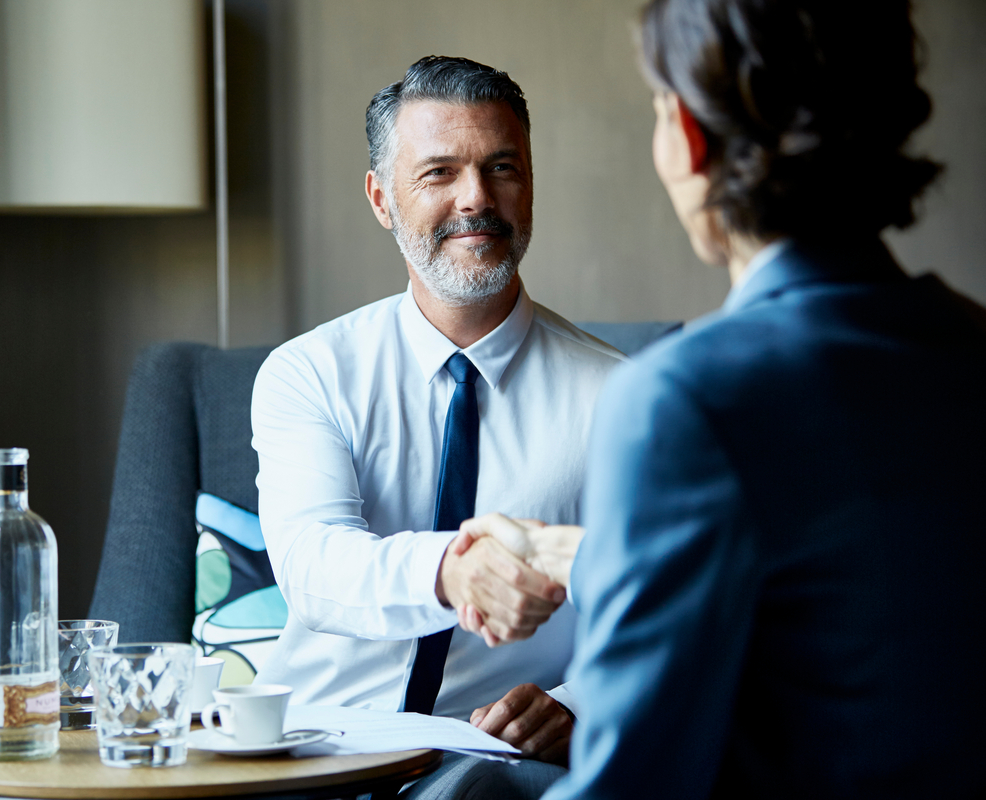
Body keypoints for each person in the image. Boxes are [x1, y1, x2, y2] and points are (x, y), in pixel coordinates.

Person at [454, 0, 986, 797]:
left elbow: (634, 780)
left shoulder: (681, 398)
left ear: (691, 137)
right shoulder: (971, 348)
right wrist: (580, 554)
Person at [250, 56, 625, 796]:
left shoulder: (622, 397)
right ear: (382, 198)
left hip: (490, 767)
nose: (477, 198)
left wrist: (582, 706)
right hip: (310, 750)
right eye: (439, 173)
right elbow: (313, 564)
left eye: (502, 167)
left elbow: (650, 600)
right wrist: (449, 572)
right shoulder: (308, 372)